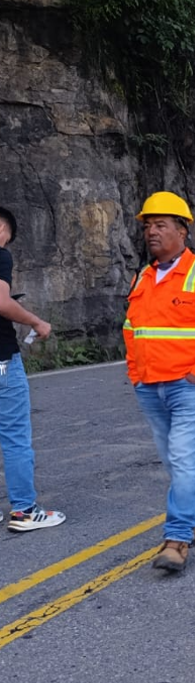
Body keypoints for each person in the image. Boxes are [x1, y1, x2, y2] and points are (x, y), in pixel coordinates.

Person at [125, 192, 195, 572]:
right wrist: (135, 373)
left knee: (183, 458)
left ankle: (177, 539)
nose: (151, 233)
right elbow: (132, 327)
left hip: (191, 385)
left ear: (182, 231)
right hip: (151, 386)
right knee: (180, 458)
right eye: (147, 226)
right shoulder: (143, 276)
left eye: (160, 226)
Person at [0, 206, 64, 533]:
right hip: (1, 361)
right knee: (15, 437)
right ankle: (24, 510)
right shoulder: (0, 256)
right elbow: (0, 301)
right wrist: (36, 321)